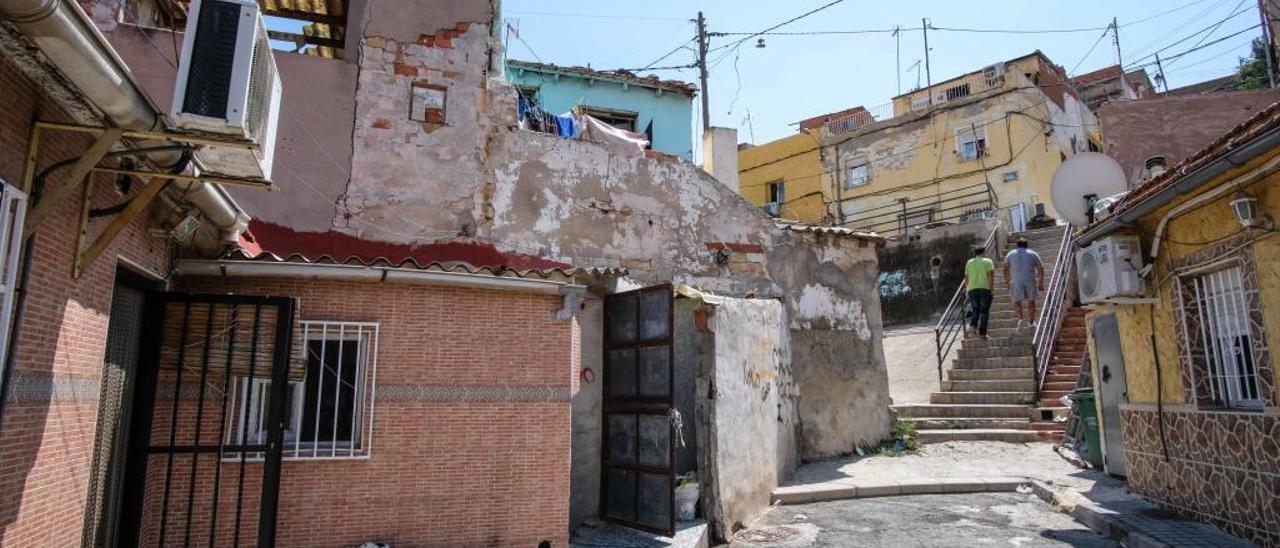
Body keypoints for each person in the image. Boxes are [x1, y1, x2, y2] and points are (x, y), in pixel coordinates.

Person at [1004, 237, 1045, 331]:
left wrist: (1007, 281)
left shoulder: (1010, 254)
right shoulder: (1033, 253)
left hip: (1016, 279)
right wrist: (1041, 282)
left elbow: (1005, 268)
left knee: (1017, 300)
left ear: (1017, 246)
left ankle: (1020, 319)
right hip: (1030, 278)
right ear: (1027, 245)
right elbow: (1040, 268)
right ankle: (1031, 322)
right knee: (1031, 300)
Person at [963, 246, 995, 338]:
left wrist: (967, 288)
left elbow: (966, 277)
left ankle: (973, 326)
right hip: (984, 288)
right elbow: (990, 276)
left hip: (972, 289)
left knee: (975, 309)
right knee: (984, 311)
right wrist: (992, 289)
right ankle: (982, 333)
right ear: (984, 252)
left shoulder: (969, 262)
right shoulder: (988, 262)